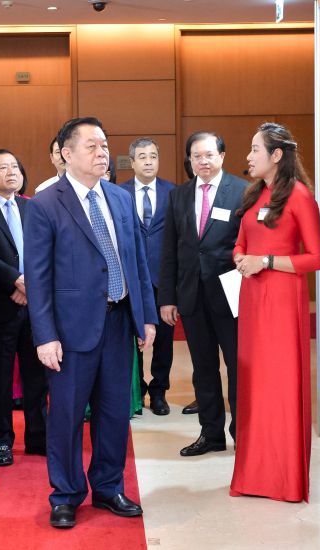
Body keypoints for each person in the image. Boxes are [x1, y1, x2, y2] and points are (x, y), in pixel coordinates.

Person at [25, 117, 157, 529]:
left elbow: (136, 262)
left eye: (104, 146)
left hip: (119, 323)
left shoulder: (119, 198)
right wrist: (45, 335)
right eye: (92, 147)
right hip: (69, 331)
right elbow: (39, 276)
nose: (103, 153)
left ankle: (108, 486)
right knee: (65, 416)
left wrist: (146, 316)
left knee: (115, 412)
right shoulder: (46, 204)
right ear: (66, 154)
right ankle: (65, 494)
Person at [230, 122, 320, 503]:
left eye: (255, 149)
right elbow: (240, 243)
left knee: (281, 387)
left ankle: (282, 479)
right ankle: (253, 475)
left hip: (283, 303)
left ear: (276, 156)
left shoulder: (300, 197)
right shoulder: (254, 195)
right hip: (253, 300)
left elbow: (316, 258)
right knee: (254, 388)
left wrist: (266, 260)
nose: (248, 156)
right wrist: (241, 257)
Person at [158, 131, 248, 456]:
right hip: (192, 296)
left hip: (231, 295)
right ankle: (211, 435)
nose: (204, 161)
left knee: (238, 368)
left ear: (222, 156)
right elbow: (170, 250)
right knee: (203, 369)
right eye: (197, 156)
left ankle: (243, 434)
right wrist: (167, 297)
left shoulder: (242, 191)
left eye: (209, 155)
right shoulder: (178, 195)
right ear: (190, 160)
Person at [0, 149, 48, 465]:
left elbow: (45, 251)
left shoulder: (33, 208)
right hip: (0, 306)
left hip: (34, 306)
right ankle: (1, 440)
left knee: (37, 377)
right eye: (2, 167)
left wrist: (30, 286)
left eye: (15, 166)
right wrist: (16, 281)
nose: (11, 172)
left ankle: (39, 437)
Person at [120, 138, 176, 416]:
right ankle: (137, 389)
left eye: (153, 156)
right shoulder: (118, 193)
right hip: (132, 279)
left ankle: (159, 390)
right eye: (142, 157)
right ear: (132, 163)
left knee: (164, 338)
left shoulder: (173, 192)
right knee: (136, 336)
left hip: (163, 278)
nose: (148, 161)